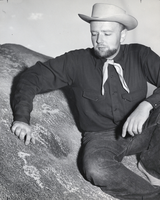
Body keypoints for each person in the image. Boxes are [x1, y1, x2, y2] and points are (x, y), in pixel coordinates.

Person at [10, 3, 160, 200]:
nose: (99, 40)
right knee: (95, 167)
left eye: (107, 34)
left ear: (122, 35)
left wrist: (146, 105)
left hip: (141, 128)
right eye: (94, 34)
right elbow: (31, 77)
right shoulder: (76, 61)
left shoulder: (140, 54)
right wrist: (22, 117)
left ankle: (151, 167)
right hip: (102, 137)